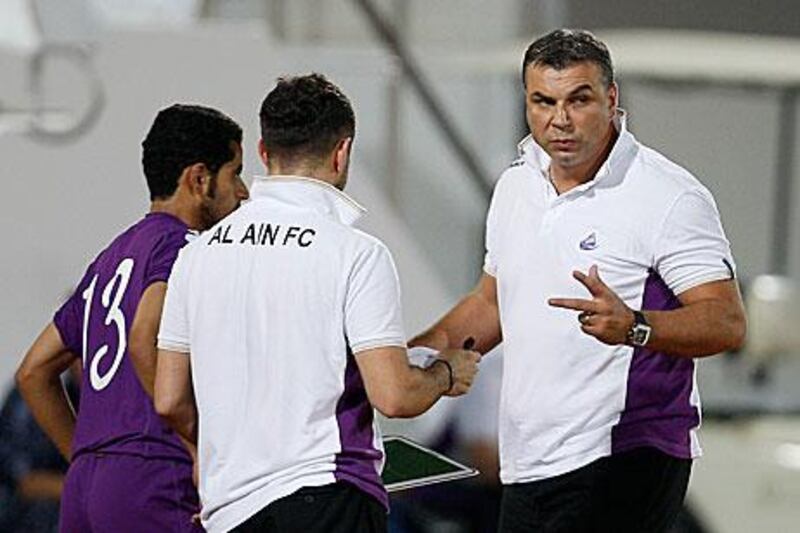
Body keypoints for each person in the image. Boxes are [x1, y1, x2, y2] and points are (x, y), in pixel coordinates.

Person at [410, 29, 746, 533]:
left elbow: (725, 321)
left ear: (611, 100)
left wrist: (635, 325)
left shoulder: (667, 195)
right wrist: (417, 354)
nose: (559, 120)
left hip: (625, 451)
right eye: (543, 101)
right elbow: (492, 303)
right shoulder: (516, 184)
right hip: (530, 459)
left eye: (578, 100)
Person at [154, 73, 481, 533]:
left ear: (265, 153)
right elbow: (394, 395)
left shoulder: (195, 255)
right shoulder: (356, 253)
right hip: (326, 499)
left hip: (226, 511)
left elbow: (169, 399)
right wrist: (446, 372)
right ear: (342, 150)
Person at [15, 103, 249, 532]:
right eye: (235, 172)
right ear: (199, 179)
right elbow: (145, 336)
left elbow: (33, 372)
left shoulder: (110, 257)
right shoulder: (186, 247)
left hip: (87, 487)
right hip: (156, 477)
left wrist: (85, 457)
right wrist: (196, 444)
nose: (244, 191)